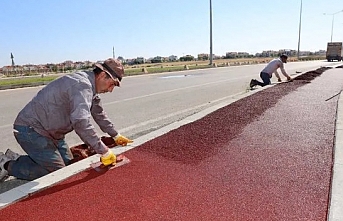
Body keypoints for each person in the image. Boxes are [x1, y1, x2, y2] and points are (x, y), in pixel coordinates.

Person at [0, 58, 133, 181]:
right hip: (31, 130)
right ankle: (7, 164)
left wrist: (116, 135)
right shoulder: (83, 86)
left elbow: (99, 114)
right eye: (112, 84)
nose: (111, 90)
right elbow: (81, 123)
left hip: (52, 133)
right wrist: (103, 151)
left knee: (70, 166)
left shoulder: (90, 87)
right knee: (58, 174)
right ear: (103, 75)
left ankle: (19, 159)